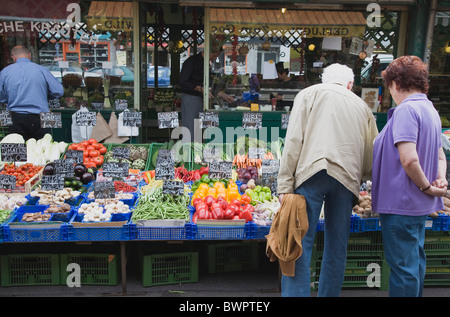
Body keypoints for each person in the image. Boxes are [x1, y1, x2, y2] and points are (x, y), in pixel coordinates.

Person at [277, 63, 379, 297]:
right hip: (346, 179)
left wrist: (285, 184)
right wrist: (361, 177)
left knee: (299, 243)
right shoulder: (362, 106)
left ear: (323, 80)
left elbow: (293, 141)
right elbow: (370, 152)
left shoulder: (308, 95)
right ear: (350, 85)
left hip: (311, 173)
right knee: (336, 246)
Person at [371, 56, 447, 297]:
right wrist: (439, 181)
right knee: (413, 263)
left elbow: (409, 158)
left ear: (395, 83)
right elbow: (440, 156)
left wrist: (427, 187)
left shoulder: (406, 110)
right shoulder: (430, 110)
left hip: (400, 204)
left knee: (403, 268)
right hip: (416, 204)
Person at [0, 45, 63, 141]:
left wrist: (6, 99)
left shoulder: (5, 72)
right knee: (43, 149)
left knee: (17, 150)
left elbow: (1, 94)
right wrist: (45, 96)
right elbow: (58, 91)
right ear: (29, 55)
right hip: (41, 116)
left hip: (15, 117)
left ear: (13, 57)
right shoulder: (42, 70)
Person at [179, 45, 234, 142]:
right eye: (215, 55)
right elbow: (183, 81)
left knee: (199, 128)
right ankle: (189, 150)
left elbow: (209, 85)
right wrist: (200, 88)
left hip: (202, 100)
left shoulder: (206, 64)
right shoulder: (191, 62)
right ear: (208, 51)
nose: (215, 58)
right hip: (191, 99)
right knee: (190, 127)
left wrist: (222, 94)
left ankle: (198, 150)